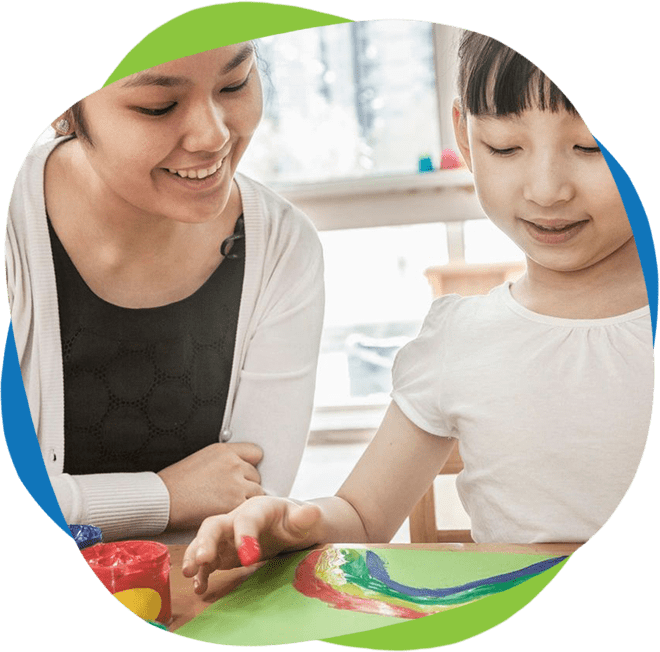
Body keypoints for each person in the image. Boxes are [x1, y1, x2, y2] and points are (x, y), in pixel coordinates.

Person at [182, 31, 654, 592]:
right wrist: (291, 524)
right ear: (466, 137)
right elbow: (361, 515)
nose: (547, 190)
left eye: (592, 145)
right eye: (505, 146)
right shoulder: (459, 340)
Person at [5, 42, 325, 542]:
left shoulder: (283, 245)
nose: (212, 135)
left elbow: (248, 503)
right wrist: (164, 496)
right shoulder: (14, 233)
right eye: (158, 106)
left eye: (235, 83)